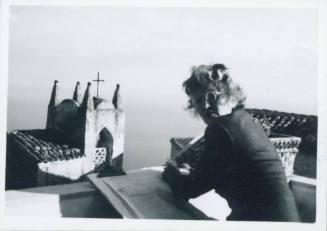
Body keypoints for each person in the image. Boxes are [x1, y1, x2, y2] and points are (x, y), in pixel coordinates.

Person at [162, 64, 300, 221]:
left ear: (229, 95)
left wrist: (170, 172)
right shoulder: (246, 121)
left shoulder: (221, 128)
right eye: (199, 101)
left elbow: (189, 190)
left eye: (212, 96)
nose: (206, 106)